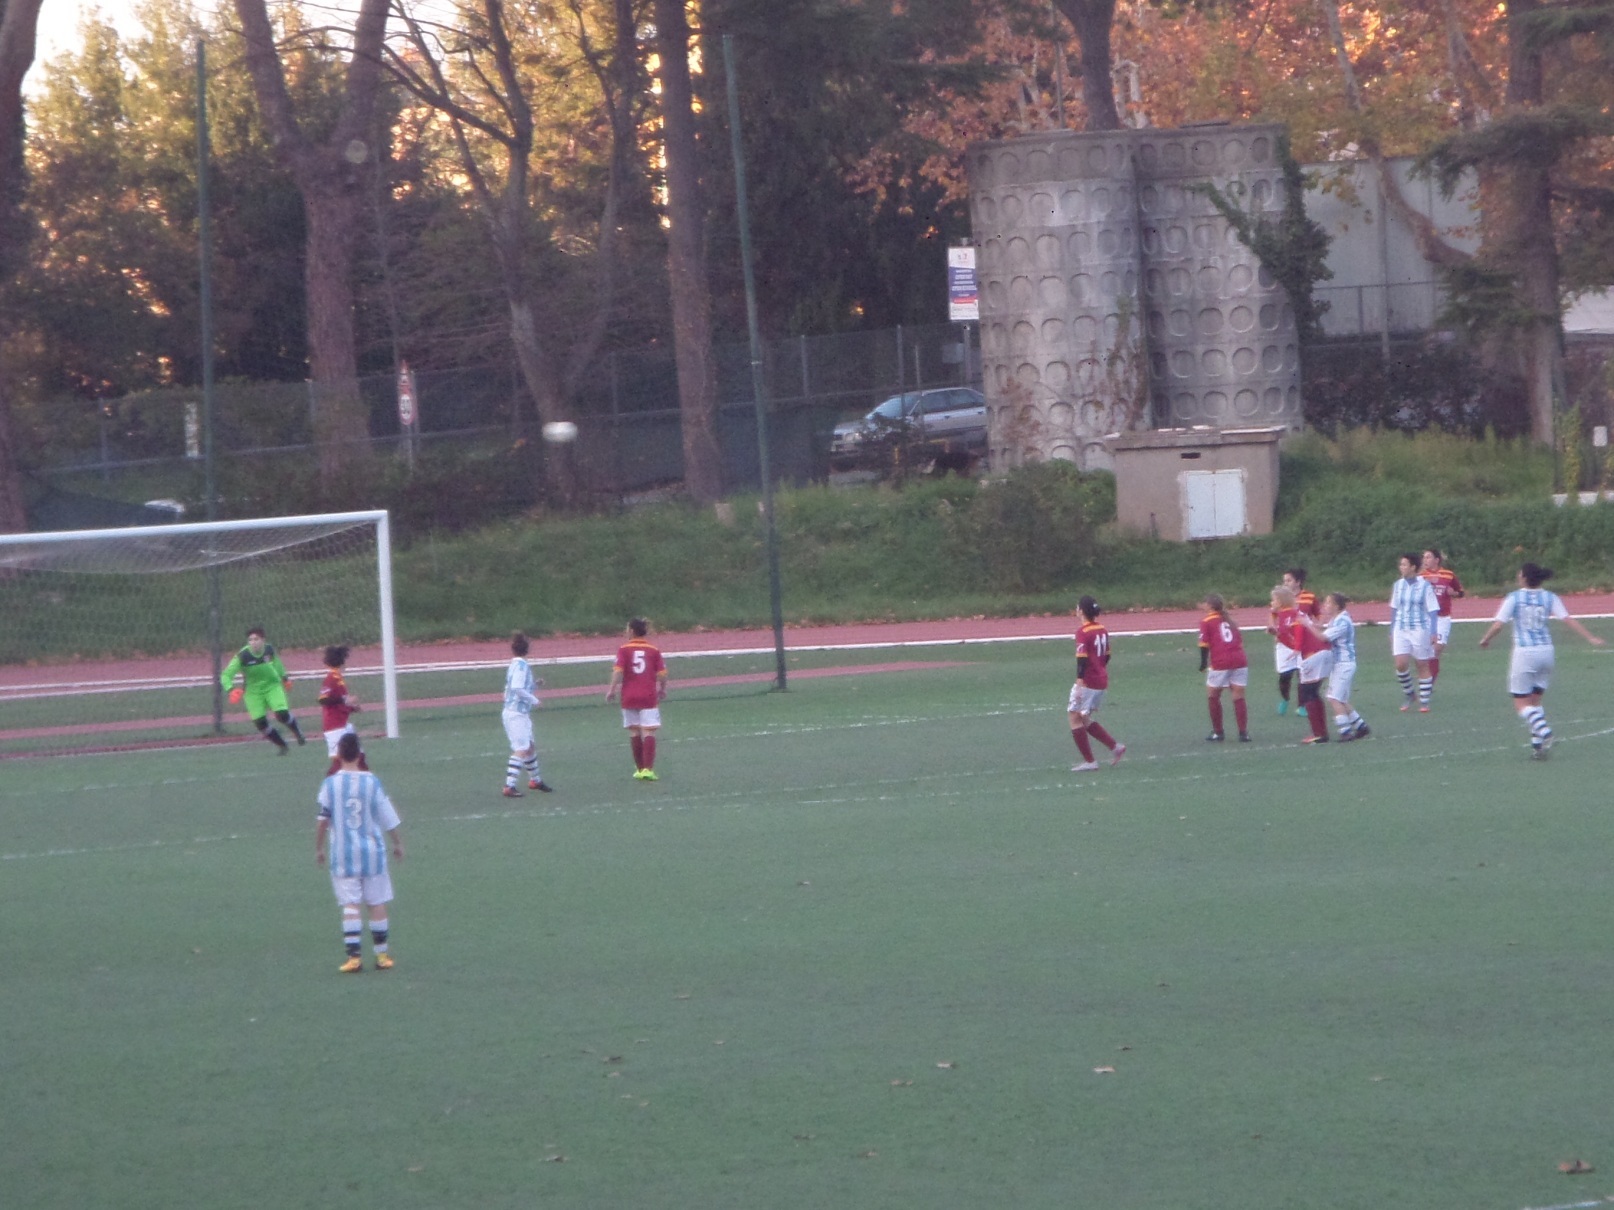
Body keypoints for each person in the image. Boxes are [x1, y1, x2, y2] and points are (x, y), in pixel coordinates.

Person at [1477, 562, 1605, 758]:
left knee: (1521, 704)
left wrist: (1485, 639)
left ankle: (1545, 732)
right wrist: (1590, 637)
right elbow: (1567, 619)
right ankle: (1538, 747)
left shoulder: (1514, 597)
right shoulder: (1549, 597)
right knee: (1535, 702)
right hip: (1546, 652)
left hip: (1525, 653)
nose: (1517, 576)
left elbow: (1498, 625)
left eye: (1519, 574)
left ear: (1524, 578)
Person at [316, 732, 404, 972]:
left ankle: (354, 958)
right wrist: (397, 843)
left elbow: (322, 820)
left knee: (351, 904)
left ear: (338, 754)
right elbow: (387, 816)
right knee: (376, 902)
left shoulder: (330, 784)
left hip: (343, 855)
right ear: (359, 754)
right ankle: (382, 956)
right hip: (373, 854)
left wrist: (319, 848)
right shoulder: (372, 782)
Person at [221, 625, 306, 753]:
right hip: (252, 692)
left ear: (263, 640)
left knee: (282, 714)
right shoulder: (243, 656)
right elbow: (226, 675)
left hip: (272, 686)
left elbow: (277, 664)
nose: (253, 643)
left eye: (256, 639)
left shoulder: (269, 650)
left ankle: (298, 732)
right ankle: (282, 745)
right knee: (260, 723)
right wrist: (230, 689)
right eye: (250, 640)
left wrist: (285, 678)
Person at [1067, 595, 1125, 771]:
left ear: (1081, 611)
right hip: (1101, 680)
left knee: (1074, 717)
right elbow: (1107, 655)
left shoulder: (1083, 632)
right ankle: (1115, 747)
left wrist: (1080, 681)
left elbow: (1082, 658)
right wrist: (1099, 668)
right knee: (1083, 718)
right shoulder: (1102, 629)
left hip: (1088, 681)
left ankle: (1090, 761)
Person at [606, 617, 668, 780]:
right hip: (648, 696)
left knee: (634, 731)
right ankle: (648, 769)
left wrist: (611, 690)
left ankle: (639, 769)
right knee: (648, 731)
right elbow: (662, 674)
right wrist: (662, 689)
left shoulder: (623, 649)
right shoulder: (653, 650)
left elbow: (618, 671)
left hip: (628, 696)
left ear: (632, 631)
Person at [1303, 593, 1370, 741]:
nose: (1325, 605)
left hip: (1343, 663)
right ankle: (1360, 726)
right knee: (1341, 699)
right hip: (1340, 663)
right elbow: (1324, 632)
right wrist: (1312, 625)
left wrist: (1307, 624)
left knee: (1333, 698)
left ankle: (1345, 731)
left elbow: (1323, 637)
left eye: (1328, 603)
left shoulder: (1342, 621)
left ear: (1337, 606)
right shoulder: (1337, 619)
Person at [501, 632, 552, 797]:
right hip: (516, 714)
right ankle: (509, 786)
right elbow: (517, 688)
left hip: (517, 713)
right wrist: (534, 700)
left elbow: (514, 688)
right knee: (521, 749)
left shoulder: (515, 664)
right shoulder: (521, 666)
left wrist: (534, 684)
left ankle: (535, 780)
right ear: (527, 648)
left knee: (529, 747)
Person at [1390, 553, 1441, 711]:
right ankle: (1409, 694)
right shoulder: (1398, 585)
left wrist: (1433, 631)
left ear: (1413, 567)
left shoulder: (1425, 586)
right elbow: (1394, 608)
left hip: (1419, 628)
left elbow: (1433, 610)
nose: (1401, 568)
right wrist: (1392, 629)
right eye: (1401, 565)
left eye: (1404, 565)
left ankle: (1424, 701)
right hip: (1401, 628)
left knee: (1421, 663)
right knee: (1400, 664)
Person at [1197, 593, 1250, 742]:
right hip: (1240, 660)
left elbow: (1204, 645)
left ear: (1209, 605)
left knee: (1213, 695)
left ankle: (1218, 732)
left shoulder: (1206, 621)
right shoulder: (1230, 620)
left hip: (1221, 661)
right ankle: (1243, 733)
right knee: (1238, 696)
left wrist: (1203, 664)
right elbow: (1239, 641)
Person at [1270, 568, 1316, 715]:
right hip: (1284, 647)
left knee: (1302, 674)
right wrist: (1274, 631)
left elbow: (1300, 631)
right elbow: (1279, 628)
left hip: (1300, 647)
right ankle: (1285, 699)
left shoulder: (1296, 614)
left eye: (1274, 600)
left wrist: (1297, 648)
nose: (1272, 602)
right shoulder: (1278, 612)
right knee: (1284, 676)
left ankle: (1301, 706)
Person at [317, 645, 366, 776]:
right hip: (334, 727)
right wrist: (344, 700)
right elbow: (323, 700)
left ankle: (366, 783)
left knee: (359, 756)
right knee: (339, 762)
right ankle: (328, 785)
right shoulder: (331, 679)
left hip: (343, 725)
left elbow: (339, 703)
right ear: (342, 662)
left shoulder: (338, 678)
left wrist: (352, 708)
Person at [1419, 548, 1466, 683]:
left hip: (1442, 618)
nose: (1425, 560)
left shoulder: (1448, 575)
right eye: (1424, 557)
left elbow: (1460, 592)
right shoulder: (1421, 576)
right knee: (1424, 652)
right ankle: (1426, 681)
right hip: (1426, 618)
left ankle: (1429, 682)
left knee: (1436, 649)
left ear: (1436, 560)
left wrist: (1454, 593)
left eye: (1428, 557)